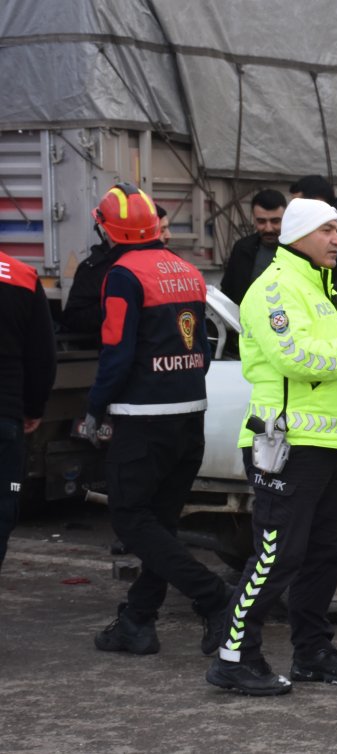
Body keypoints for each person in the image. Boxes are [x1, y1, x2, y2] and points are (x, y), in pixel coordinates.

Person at [206, 198, 337, 696]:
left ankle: (312, 651)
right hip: (286, 445)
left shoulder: (324, 289)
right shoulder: (273, 288)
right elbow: (295, 356)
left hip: (327, 444)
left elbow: (328, 361)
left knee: (322, 553)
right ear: (300, 234)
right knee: (276, 556)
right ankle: (234, 657)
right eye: (328, 231)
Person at [82, 184, 231, 657]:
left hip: (143, 419)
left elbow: (116, 352)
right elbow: (204, 349)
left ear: (108, 230)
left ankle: (214, 597)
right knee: (159, 524)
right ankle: (138, 621)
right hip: (190, 415)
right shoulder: (186, 270)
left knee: (130, 520)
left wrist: (94, 408)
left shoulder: (123, 275)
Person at [0, 250, 56, 571]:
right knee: (4, 502)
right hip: (6, 419)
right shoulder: (22, 276)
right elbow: (42, 357)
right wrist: (33, 407)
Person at [63, 206, 171, 343]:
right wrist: (117, 306)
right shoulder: (96, 269)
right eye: (162, 230)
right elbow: (74, 319)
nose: (168, 235)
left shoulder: (166, 265)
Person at [220, 189, 287, 305]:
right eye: (261, 221)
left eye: (275, 221)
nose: (268, 228)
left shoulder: (299, 250)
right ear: (253, 219)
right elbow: (228, 293)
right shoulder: (242, 249)